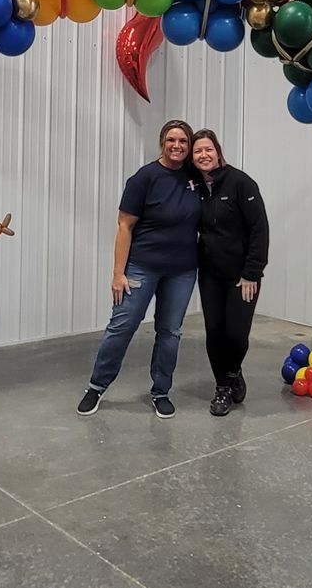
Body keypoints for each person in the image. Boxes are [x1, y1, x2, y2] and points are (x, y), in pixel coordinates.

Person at [78, 121, 202, 419]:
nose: (177, 146)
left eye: (183, 141)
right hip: (141, 268)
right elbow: (124, 225)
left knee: (170, 332)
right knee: (122, 326)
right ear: (162, 142)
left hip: (182, 271)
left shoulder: (195, 177)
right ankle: (96, 386)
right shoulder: (145, 178)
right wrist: (118, 273)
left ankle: (161, 391)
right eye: (171, 140)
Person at [189, 129, 270, 417]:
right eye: (198, 151)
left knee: (236, 334)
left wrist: (252, 272)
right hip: (210, 274)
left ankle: (234, 371)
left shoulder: (241, 183)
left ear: (218, 152)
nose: (203, 155)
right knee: (214, 332)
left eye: (208, 149)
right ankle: (222, 387)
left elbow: (259, 229)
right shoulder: (196, 187)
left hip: (242, 275)